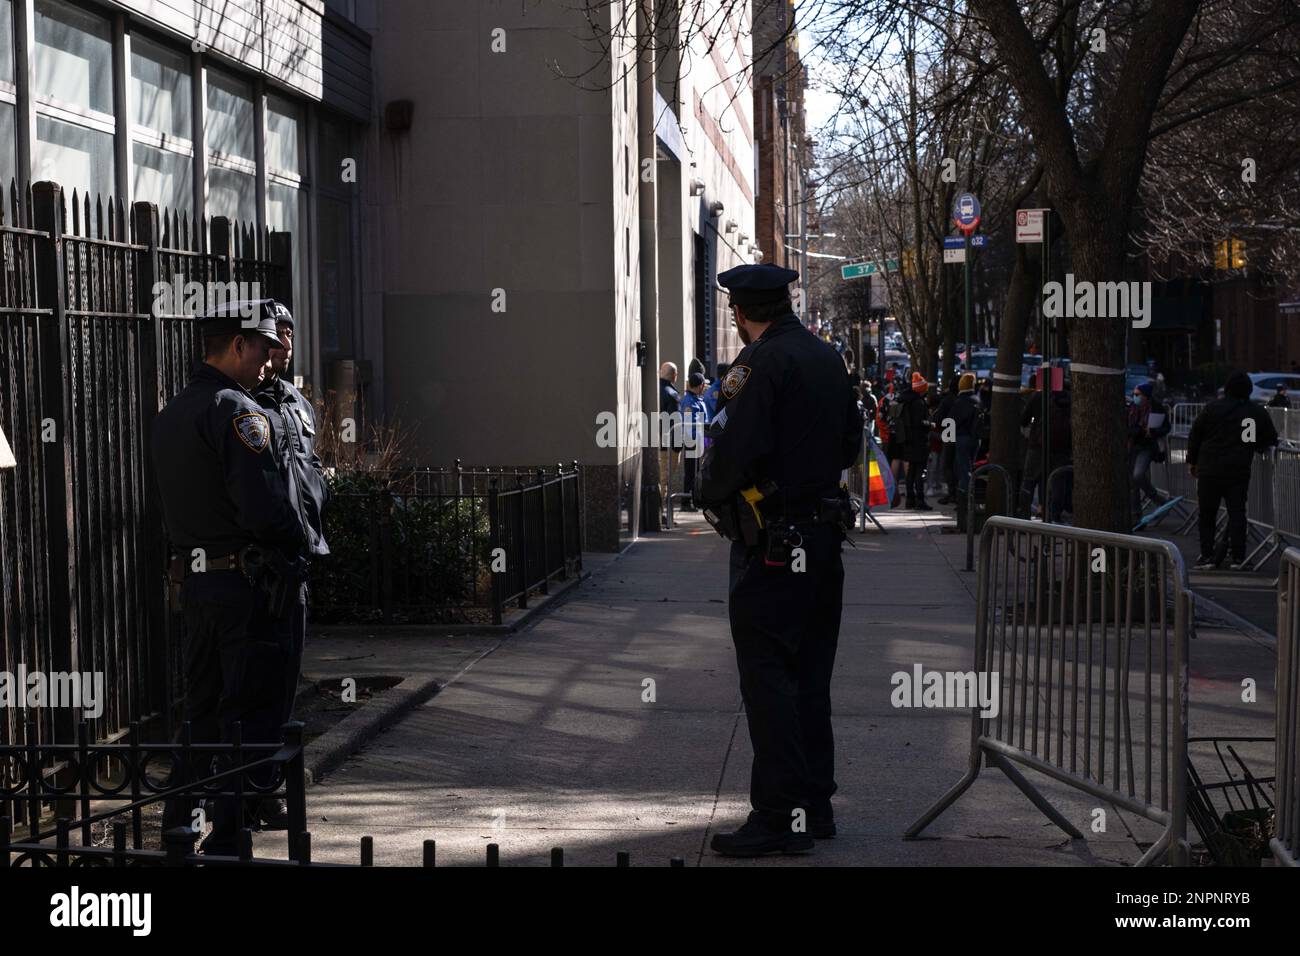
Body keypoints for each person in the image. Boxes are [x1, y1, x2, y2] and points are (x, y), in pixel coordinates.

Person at [698, 263, 862, 856]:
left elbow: (728, 449)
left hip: (772, 544)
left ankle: (779, 815)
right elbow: (849, 443)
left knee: (768, 679)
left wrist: (708, 493)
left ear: (742, 313)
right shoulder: (827, 357)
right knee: (810, 676)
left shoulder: (758, 363)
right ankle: (814, 805)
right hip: (821, 540)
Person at [152, 303, 306, 855]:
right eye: (263, 348)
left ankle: (178, 828)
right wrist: (300, 542)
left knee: (202, 711)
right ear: (237, 346)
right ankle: (229, 835)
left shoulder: (173, 412)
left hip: (197, 585)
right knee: (249, 713)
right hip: (247, 587)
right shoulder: (238, 413)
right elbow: (265, 509)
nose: (271, 359)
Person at [252, 302, 329, 827]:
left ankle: (267, 786)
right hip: (263, 565)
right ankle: (256, 789)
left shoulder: (296, 401)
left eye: (288, 334)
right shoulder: (244, 401)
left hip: (299, 556)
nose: (283, 344)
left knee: (284, 683)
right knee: (255, 686)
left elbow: (311, 462)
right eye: (274, 336)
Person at [1187, 371, 1278, 570]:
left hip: (1210, 466)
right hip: (1238, 468)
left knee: (1207, 513)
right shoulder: (1255, 412)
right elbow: (1266, 438)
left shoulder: (1212, 408)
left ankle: (1207, 554)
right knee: (1237, 513)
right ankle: (1238, 556)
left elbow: (1196, 435)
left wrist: (1192, 461)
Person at [1128, 381, 1171, 522]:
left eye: (1137, 394)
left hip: (1147, 446)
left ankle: (1157, 499)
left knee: (1138, 475)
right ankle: (1136, 516)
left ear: (1146, 396)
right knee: (1133, 483)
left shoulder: (1157, 408)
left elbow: (1166, 427)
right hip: (1133, 445)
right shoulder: (1132, 408)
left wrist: (1153, 432)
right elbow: (1128, 427)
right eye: (1134, 394)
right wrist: (1139, 431)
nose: (1135, 397)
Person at [950, 373, 981, 531]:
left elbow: (952, 421)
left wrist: (947, 439)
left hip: (961, 437)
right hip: (974, 439)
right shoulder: (976, 401)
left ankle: (964, 499)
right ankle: (967, 496)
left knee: (964, 470)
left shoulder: (960, 402)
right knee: (969, 467)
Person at [899, 372, 932, 510]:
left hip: (908, 440)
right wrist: (930, 424)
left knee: (911, 471)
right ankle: (920, 499)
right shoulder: (918, 403)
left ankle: (910, 499)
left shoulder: (906, 401)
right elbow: (920, 423)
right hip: (919, 440)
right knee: (919, 471)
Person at [678, 371, 709, 509]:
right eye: (703, 385)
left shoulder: (695, 399)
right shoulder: (689, 402)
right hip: (693, 441)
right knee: (691, 472)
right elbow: (690, 424)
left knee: (695, 472)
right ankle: (687, 502)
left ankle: (693, 499)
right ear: (701, 385)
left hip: (698, 440)